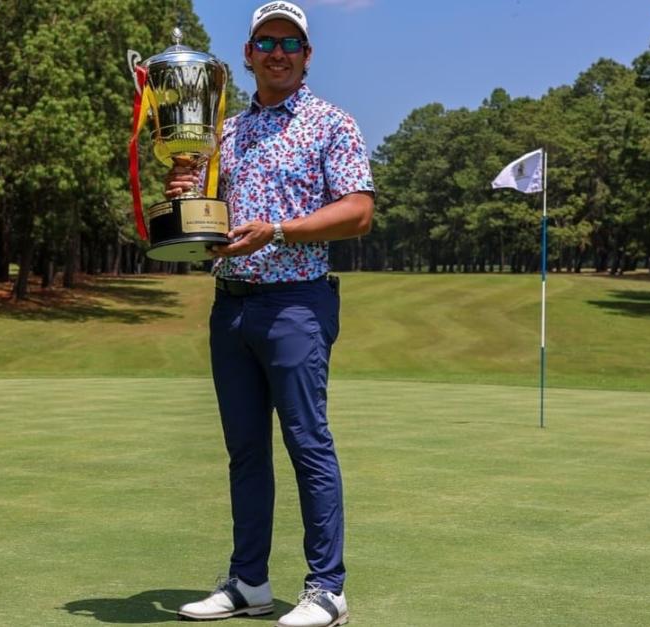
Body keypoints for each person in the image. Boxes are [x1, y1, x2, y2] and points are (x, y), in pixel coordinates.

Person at [168, 3, 374, 626]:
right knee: (246, 452)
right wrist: (187, 197)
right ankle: (249, 582)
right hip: (231, 307)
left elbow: (359, 211)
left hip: (296, 304)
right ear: (248, 54)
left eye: (290, 42)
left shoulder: (331, 123)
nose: (278, 51)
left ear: (307, 55)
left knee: (308, 444)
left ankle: (327, 589)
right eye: (266, 42)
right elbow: (211, 217)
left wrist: (280, 230)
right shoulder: (223, 132)